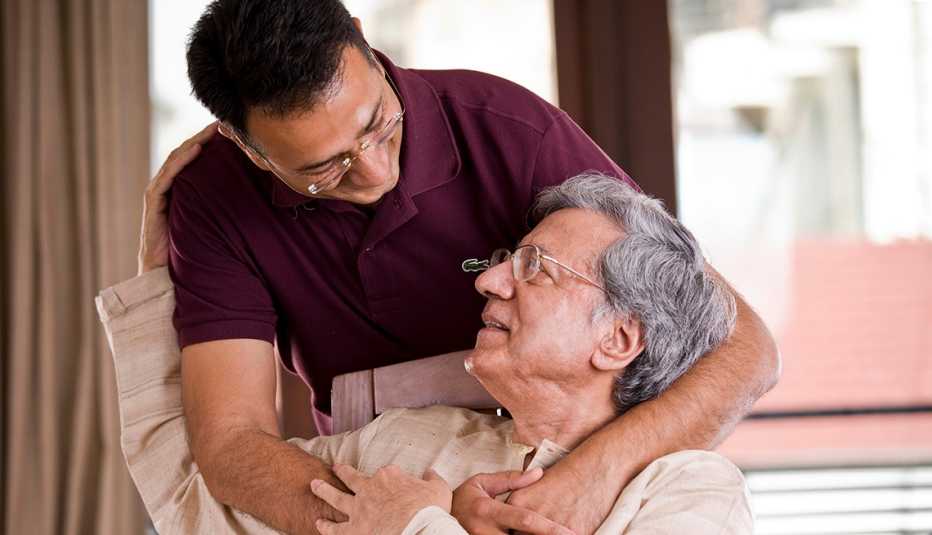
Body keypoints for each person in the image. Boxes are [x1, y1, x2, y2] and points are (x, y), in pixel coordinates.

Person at [145, 1, 778, 533]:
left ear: (363, 42)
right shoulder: (214, 198)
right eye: (323, 169)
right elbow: (229, 447)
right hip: (383, 466)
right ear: (241, 143)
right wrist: (414, 517)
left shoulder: (508, 131)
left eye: (378, 126)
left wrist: (596, 472)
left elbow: (741, 345)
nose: (373, 172)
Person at [101, 174, 753, 535]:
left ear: (617, 339)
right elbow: (200, 500)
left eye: (534, 266)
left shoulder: (690, 491)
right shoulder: (404, 447)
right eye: (505, 261)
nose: (489, 281)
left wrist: (415, 528)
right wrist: (165, 275)